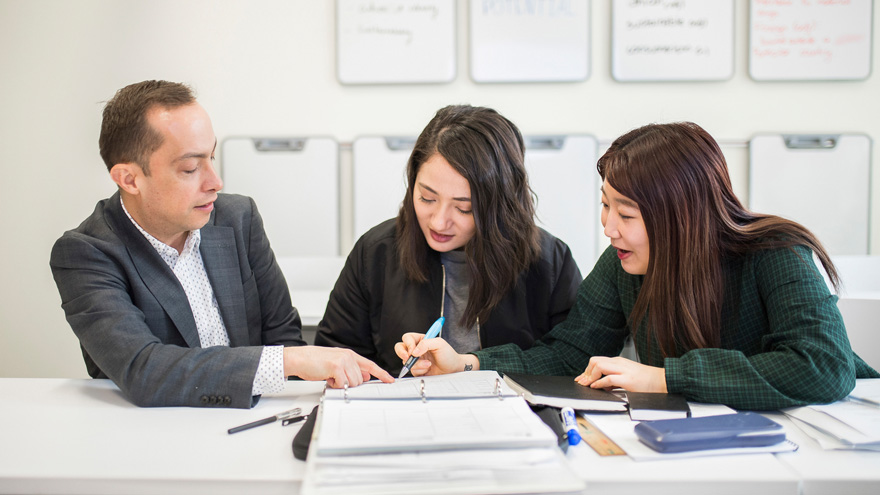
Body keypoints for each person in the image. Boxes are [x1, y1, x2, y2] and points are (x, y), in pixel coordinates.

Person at [395, 121, 880, 410]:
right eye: (605, 206)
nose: (608, 227)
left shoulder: (777, 253)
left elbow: (823, 367)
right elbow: (569, 355)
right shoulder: (624, 264)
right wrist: (470, 363)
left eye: (626, 214)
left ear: (680, 217)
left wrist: (665, 378)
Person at [50, 80, 392, 409]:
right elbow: (144, 369)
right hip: (153, 437)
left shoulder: (237, 218)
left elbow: (282, 333)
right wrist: (291, 361)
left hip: (256, 421)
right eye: (190, 168)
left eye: (211, 158)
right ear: (129, 179)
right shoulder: (85, 254)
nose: (215, 182)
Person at [315, 105, 582, 375]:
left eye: (464, 208)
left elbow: (572, 360)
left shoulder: (549, 262)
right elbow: (334, 356)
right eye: (427, 198)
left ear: (500, 206)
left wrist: (469, 366)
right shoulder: (376, 253)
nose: (439, 222)